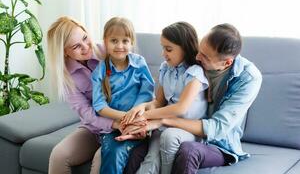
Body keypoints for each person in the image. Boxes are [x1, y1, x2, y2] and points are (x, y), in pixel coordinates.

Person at [125, 23, 262, 174]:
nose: (197, 57)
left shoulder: (248, 78)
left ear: (226, 63)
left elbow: (217, 128)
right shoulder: (191, 63)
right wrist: (143, 114)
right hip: (180, 129)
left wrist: (163, 121)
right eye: (199, 50)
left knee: (188, 151)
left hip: (217, 143)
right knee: (138, 151)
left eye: (204, 56)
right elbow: (162, 99)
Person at [119, 22, 209, 174]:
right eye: (163, 48)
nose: (163, 54)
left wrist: (145, 116)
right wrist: (141, 108)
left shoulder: (195, 73)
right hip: (165, 124)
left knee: (168, 136)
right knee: (150, 160)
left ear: (185, 48)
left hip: (188, 128)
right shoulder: (165, 68)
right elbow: (159, 102)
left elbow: (181, 108)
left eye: (168, 49)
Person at [47, 16, 115, 174]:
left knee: (102, 158)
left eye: (85, 38)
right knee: (59, 155)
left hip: (121, 124)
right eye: (77, 46)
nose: (86, 47)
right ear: (64, 52)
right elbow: (85, 112)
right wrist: (112, 124)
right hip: (94, 128)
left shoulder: (108, 52)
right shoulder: (66, 75)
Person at [91, 17, 155, 174]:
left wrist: (134, 118)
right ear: (105, 41)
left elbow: (146, 93)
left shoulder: (139, 63)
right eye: (114, 40)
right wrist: (125, 118)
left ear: (131, 42)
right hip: (113, 126)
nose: (120, 46)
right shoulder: (99, 71)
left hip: (139, 120)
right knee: (113, 152)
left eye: (125, 41)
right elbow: (99, 106)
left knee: (133, 143)